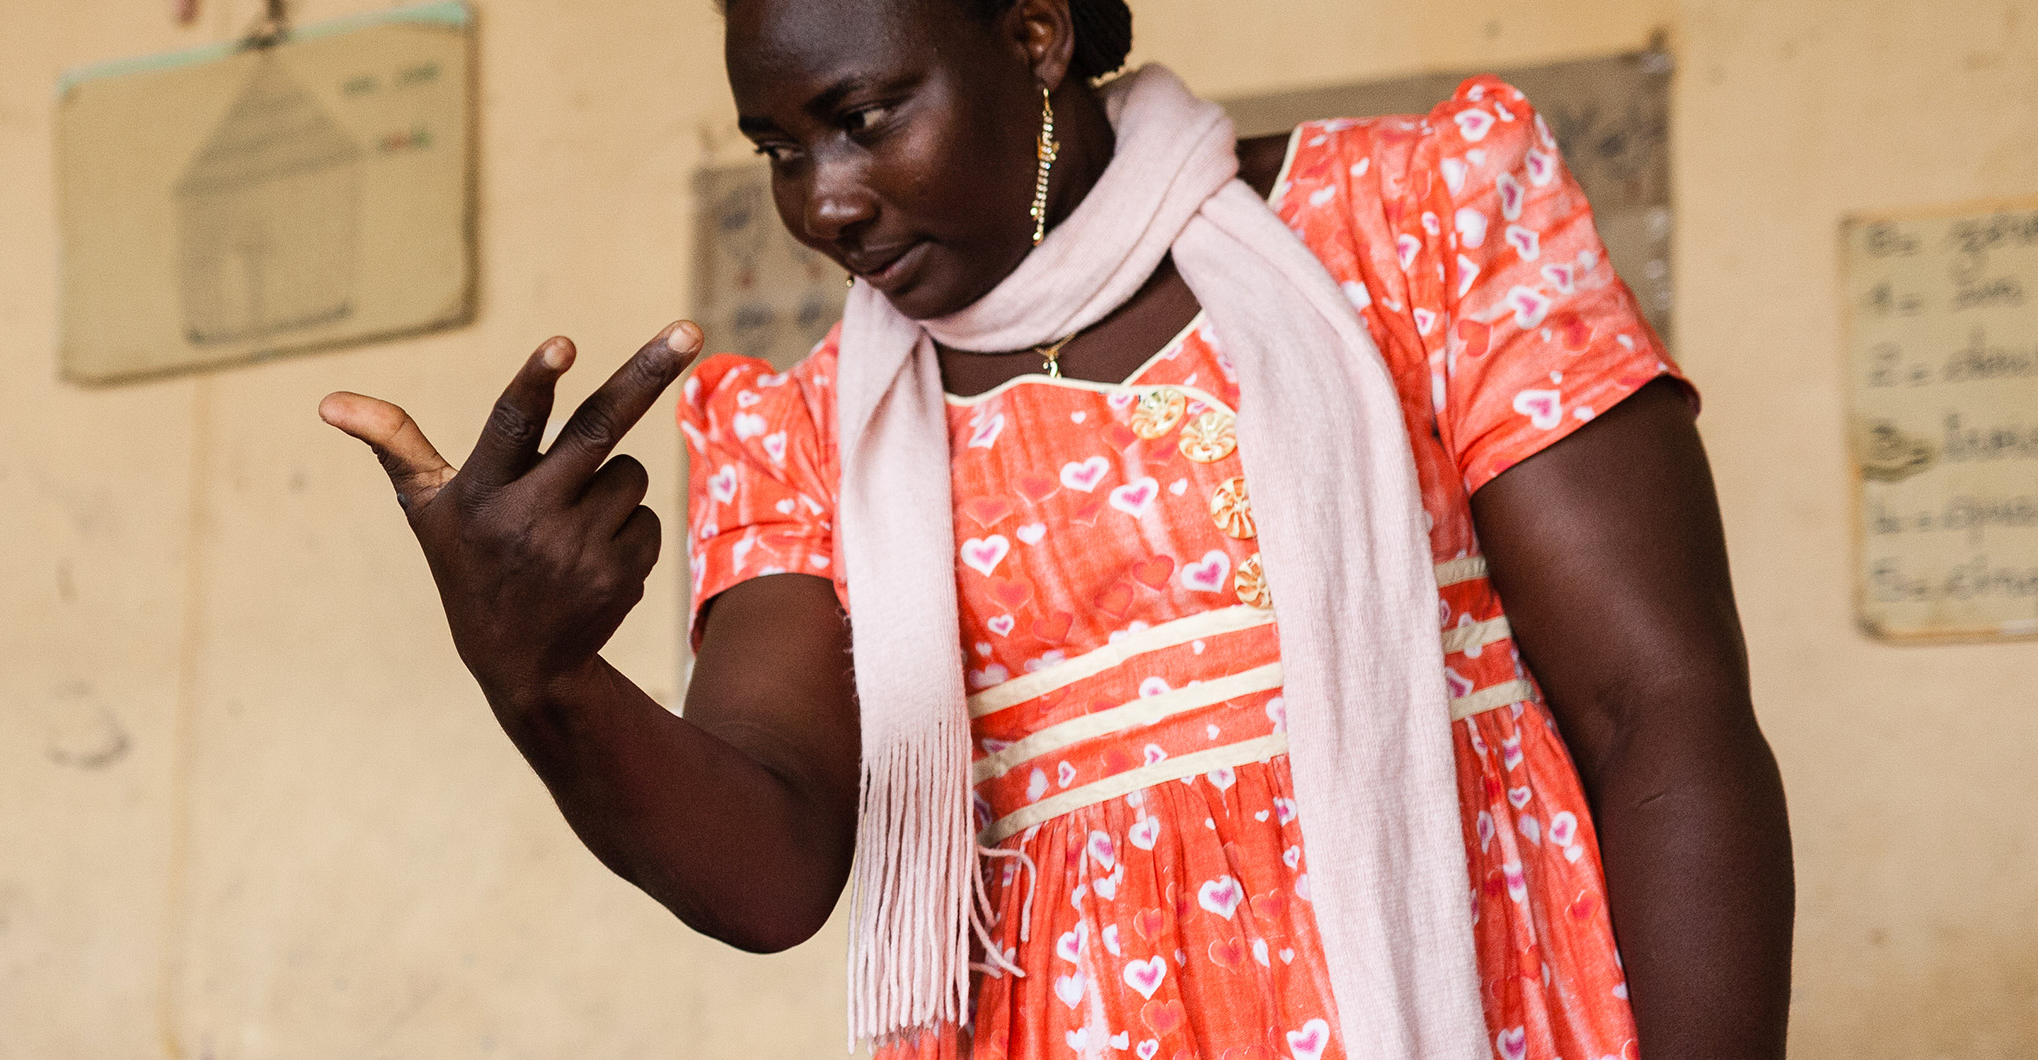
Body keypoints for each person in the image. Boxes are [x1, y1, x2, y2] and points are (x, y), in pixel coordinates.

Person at [317, 1, 1791, 1058]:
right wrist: (542, 680)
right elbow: (770, 872)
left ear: (1032, 36)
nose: (820, 200)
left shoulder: (1410, 226)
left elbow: (1654, 707)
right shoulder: (814, 430)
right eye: (777, 144)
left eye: (861, 115)